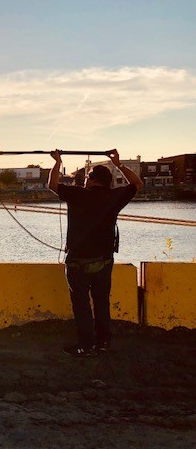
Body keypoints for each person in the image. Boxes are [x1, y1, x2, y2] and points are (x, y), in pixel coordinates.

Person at [48, 149, 143, 357]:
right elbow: (137, 184)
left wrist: (57, 162)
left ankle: (86, 345)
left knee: (81, 305)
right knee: (101, 302)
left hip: (77, 262)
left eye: (87, 176)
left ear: (91, 180)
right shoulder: (114, 197)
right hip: (104, 261)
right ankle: (103, 342)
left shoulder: (77, 195)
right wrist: (119, 164)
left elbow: (52, 185)